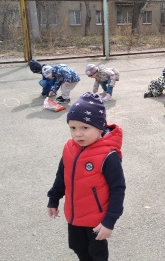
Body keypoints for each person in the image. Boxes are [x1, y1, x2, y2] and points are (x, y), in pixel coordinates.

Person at [47, 92, 126, 261]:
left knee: (97, 253)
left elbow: (118, 189)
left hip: (96, 219)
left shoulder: (108, 155)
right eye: (73, 128)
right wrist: (53, 198)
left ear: (99, 127)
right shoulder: (70, 147)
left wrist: (109, 221)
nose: (78, 134)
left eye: (85, 128)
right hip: (74, 215)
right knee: (77, 246)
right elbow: (62, 175)